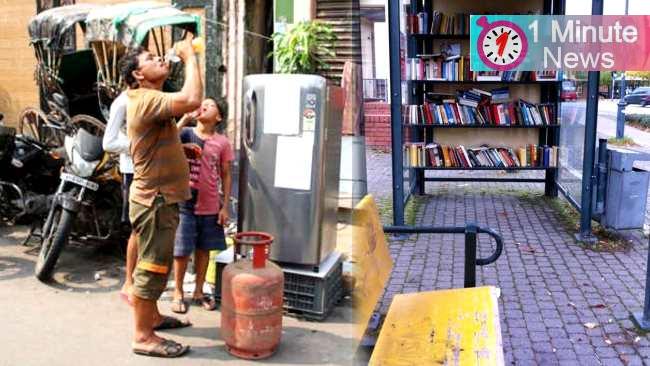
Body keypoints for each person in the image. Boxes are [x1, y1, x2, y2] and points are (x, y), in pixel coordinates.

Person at [119, 35, 202, 358]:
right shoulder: (144, 99)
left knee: (156, 263)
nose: (159, 59)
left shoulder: (149, 98)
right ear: (138, 75)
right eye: (150, 58)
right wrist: (189, 54)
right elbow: (193, 98)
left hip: (158, 198)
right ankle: (142, 335)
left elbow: (153, 141)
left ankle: (151, 317)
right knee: (152, 267)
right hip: (155, 200)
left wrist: (179, 150)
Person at [171, 98, 233, 314]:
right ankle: (178, 292)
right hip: (184, 201)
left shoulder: (222, 142)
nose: (204, 106)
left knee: (204, 248)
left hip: (210, 203)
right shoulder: (186, 132)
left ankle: (198, 291)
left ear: (218, 117)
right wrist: (184, 118)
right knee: (181, 250)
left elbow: (225, 174)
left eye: (211, 105)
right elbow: (166, 140)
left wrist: (224, 207)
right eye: (202, 103)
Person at [102, 90, 138, 306]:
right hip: (133, 169)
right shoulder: (124, 101)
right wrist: (137, 145)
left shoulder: (156, 97)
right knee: (138, 228)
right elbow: (109, 142)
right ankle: (128, 281)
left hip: (157, 169)